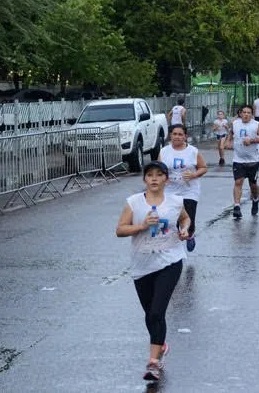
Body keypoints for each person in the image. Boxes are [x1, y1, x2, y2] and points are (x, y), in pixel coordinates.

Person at [115, 161, 192, 382]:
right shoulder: (134, 203)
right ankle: (161, 345)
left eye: (160, 175)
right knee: (150, 315)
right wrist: (141, 226)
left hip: (170, 261)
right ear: (145, 180)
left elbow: (184, 218)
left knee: (157, 312)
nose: (155, 178)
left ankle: (153, 363)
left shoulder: (176, 202)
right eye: (150, 175)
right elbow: (120, 229)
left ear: (166, 179)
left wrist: (184, 229)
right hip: (142, 265)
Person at [158, 124, 207, 252]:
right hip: (170, 190)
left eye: (180, 134)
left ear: (185, 136)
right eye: (174, 134)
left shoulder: (193, 151)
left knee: (188, 218)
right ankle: (170, 244)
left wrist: (193, 174)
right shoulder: (164, 151)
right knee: (170, 218)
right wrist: (163, 178)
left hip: (189, 190)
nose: (177, 137)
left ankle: (190, 235)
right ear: (170, 135)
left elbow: (203, 168)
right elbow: (158, 170)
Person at [225, 104, 259, 218]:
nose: (246, 114)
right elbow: (230, 134)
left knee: (253, 184)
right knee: (238, 182)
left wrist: (252, 141)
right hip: (238, 159)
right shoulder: (235, 124)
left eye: (249, 112)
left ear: (252, 114)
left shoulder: (256, 125)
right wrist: (228, 142)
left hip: (253, 160)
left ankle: (255, 199)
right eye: (244, 112)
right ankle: (237, 206)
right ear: (240, 113)